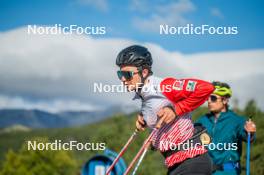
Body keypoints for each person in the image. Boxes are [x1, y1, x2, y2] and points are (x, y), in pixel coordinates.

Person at [116, 45, 215, 175]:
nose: (123, 79)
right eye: (120, 74)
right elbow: (160, 111)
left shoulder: (165, 86)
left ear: (144, 72)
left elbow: (206, 88)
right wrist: (145, 118)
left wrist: (176, 110)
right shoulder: (145, 95)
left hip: (192, 160)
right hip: (175, 164)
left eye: (127, 74)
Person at [196, 81, 257, 175]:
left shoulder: (237, 121)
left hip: (228, 171)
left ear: (224, 100)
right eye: (207, 98)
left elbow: (247, 135)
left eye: (213, 98)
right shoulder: (202, 121)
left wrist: (250, 132)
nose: (209, 101)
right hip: (205, 171)